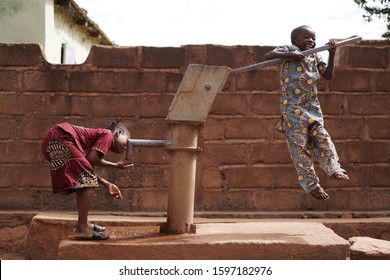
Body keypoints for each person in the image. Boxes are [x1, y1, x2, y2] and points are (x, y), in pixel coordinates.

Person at [264, 25, 349, 200]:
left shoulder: (316, 54)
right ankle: (312, 185)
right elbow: (269, 55)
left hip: (312, 109)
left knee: (322, 137)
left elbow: (328, 76)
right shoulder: (290, 49)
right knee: (300, 148)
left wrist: (332, 53)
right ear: (295, 41)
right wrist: (290, 56)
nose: (311, 41)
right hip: (293, 111)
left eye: (313, 38)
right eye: (306, 37)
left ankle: (334, 168)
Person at [41, 121, 133, 240]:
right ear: (119, 133)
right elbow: (92, 158)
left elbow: (88, 167)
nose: (125, 148)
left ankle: (84, 223)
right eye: (126, 143)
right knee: (88, 183)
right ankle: (82, 228)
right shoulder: (108, 135)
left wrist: (107, 184)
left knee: (84, 180)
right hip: (63, 136)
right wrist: (116, 165)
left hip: (52, 141)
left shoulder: (97, 142)